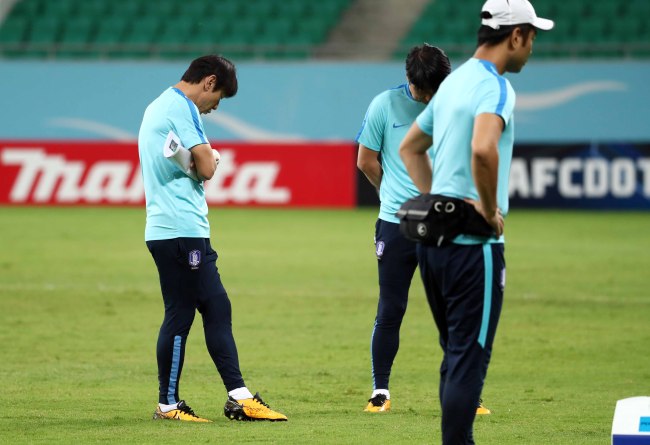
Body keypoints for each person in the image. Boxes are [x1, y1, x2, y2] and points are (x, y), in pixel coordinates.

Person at [399, 0, 553, 442]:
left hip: (432, 243)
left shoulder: (453, 83)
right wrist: (486, 209)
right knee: (469, 360)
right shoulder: (495, 86)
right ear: (516, 35)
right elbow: (485, 149)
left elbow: (411, 147)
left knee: (454, 356)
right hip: (473, 247)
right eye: (533, 36)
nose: (532, 46)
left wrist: (437, 200)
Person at [138, 55, 287, 423]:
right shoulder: (181, 106)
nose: (213, 108)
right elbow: (205, 168)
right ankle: (168, 404)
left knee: (217, 306)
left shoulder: (159, 105)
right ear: (208, 82)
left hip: (181, 230)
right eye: (217, 99)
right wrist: (214, 158)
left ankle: (239, 397)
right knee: (180, 315)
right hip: (178, 231)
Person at [356, 44, 490, 415]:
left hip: (446, 223)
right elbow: (366, 159)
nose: (429, 96)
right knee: (391, 308)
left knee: (454, 311)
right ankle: (380, 390)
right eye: (422, 89)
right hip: (397, 225)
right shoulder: (384, 104)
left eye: (435, 88)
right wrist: (390, 195)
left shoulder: (456, 104)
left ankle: (465, 393)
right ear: (408, 79)